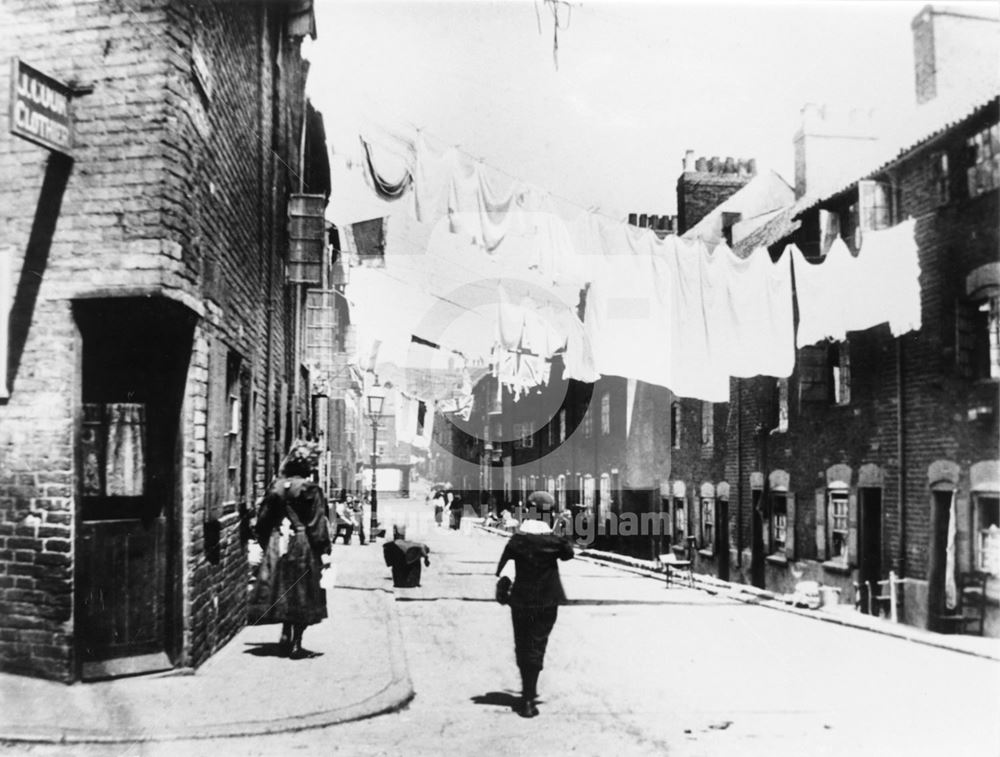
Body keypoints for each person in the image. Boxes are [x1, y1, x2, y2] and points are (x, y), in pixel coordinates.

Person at [250, 440, 331, 659]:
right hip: (302, 543)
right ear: (307, 467)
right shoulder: (311, 490)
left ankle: (285, 634)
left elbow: (263, 521)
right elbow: (317, 523)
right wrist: (323, 549)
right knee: (302, 592)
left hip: (278, 542)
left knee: (283, 589)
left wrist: (268, 543)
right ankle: (296, 644)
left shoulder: (276, 487)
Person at [495, 517, 574, 718]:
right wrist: (559, 534)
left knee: (522, 644)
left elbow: (503, 568)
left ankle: (527, 696)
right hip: (547, 602)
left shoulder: (516, 541)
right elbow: (569, 554)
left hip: (521, 601)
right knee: (538, 644)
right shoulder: (555, 542)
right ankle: (530, 695)